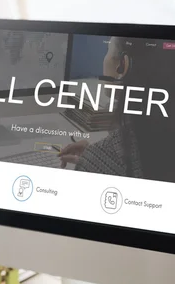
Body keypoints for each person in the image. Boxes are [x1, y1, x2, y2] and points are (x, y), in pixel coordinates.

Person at [58, 36, 175, 182]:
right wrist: (102, 156)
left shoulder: (98, 160)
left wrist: (99, 159)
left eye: (108, 50)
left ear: (123, 65)